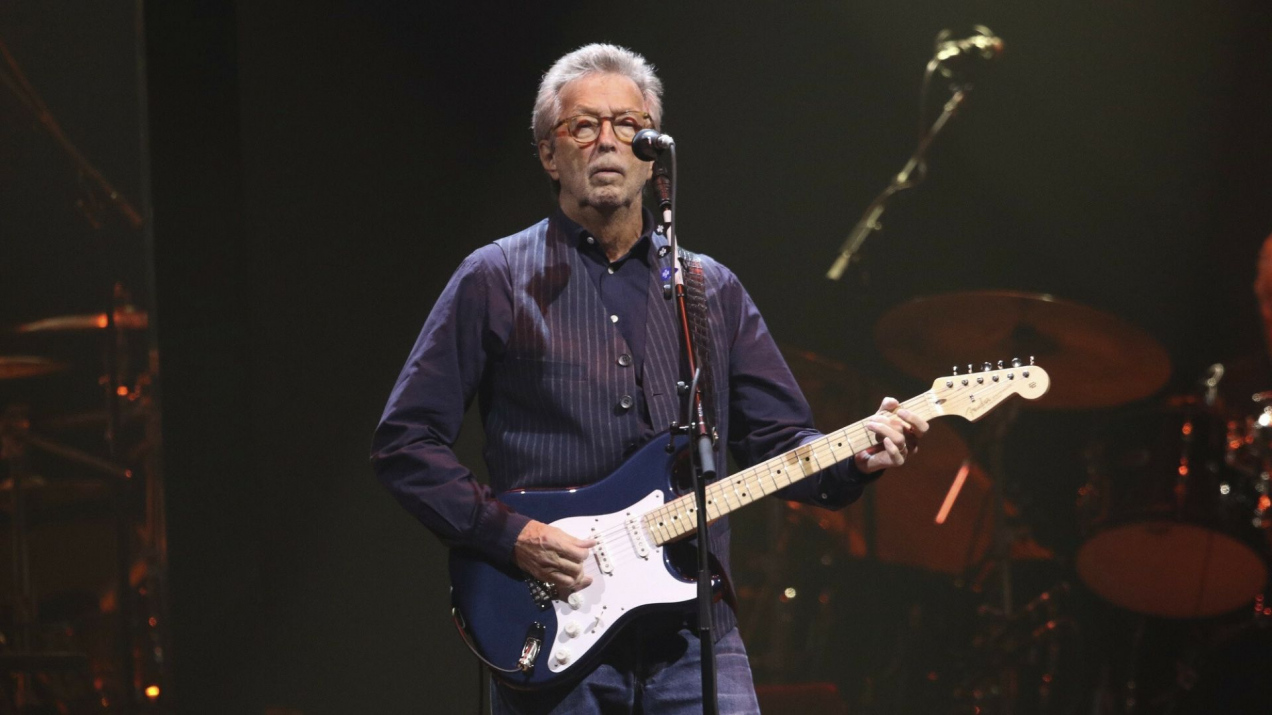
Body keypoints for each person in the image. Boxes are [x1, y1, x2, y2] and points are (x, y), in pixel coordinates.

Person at [370, 43, 928, 714]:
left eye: (628, 125)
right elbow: (405, 443)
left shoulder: (709, 288)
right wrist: (513, 536)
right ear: (550, 153)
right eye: (583, 126)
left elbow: (782, 442)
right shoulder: (496, 278)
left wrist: (858, 456)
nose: (608, 141)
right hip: (554, 632)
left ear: (653, 150)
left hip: (695, 633)